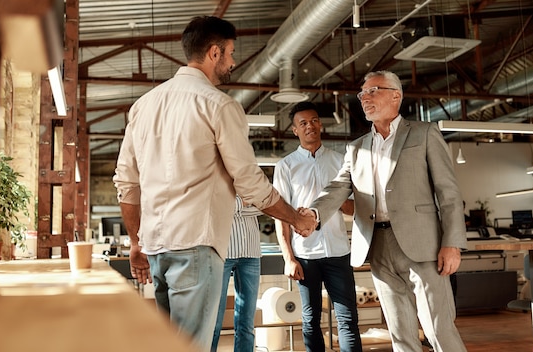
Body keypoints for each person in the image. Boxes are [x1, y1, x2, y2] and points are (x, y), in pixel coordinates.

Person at [112, 16, 316, 351]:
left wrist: (136, 242)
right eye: (231, 52)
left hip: (157, 248)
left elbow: (127, 184)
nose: (234, 62)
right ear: (214, 53)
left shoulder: (142, 107)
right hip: (196, 245)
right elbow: (249, 182)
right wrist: (296, 218)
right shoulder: (219, 105)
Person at [306, 70, 468, 352]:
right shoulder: (356, 148)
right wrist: (313, 214)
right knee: (399, 331)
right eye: (361, 94)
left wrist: (452, 243)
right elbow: (338, 188)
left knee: (438, 328)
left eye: (373, 91)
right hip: (377, 244)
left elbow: (449, 192)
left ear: (396, 95)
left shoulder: (424, 133)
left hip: (423, 244)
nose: (364, 98)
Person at [273, 101, 362, 352]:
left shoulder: (341, 161)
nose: (309, 126)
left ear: (321, 124)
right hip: (305, 256)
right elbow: (281, 216)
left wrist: (335, 201)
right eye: (303, 123)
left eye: (314, 121)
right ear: (294, 130)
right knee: (311, 320)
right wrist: (288, 258)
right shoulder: (285, 166)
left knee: (348, 319)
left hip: (338, 253)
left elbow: (356, 208)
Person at [211, 195, 263, 352]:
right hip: (222, 252)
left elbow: (263, 205)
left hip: (251, 251)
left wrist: (234, 207)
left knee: (246, 323)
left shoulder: (251, 177)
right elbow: (213, 207)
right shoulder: (216, 175)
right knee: (213, 322)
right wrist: (246, 203)